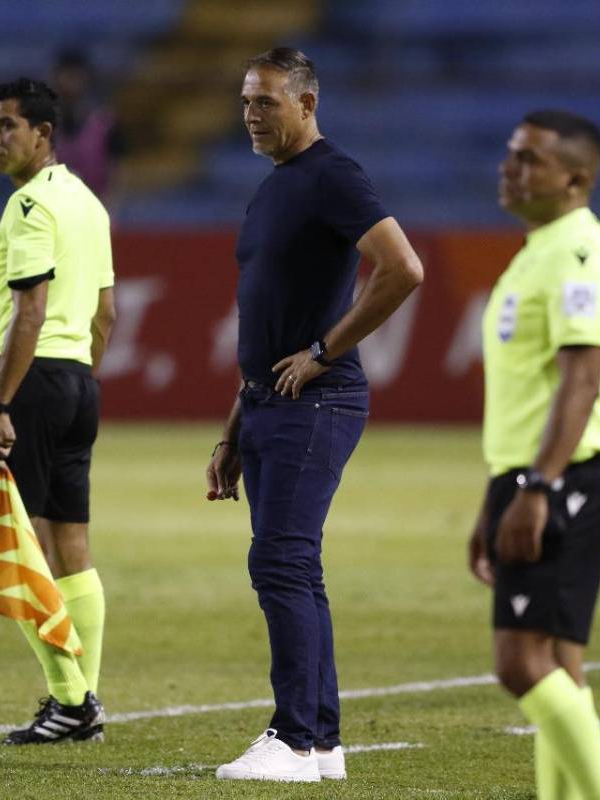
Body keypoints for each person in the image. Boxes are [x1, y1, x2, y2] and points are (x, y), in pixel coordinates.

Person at [206, 47, 424, 783]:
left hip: (318, 399)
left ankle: (293, 739)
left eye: (266, 102)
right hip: (268, 404)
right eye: (245, 101)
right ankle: (323, 742)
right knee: (298, 567)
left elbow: (403, 267)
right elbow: (269, 319)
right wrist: (235, 427)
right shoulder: (274, 188)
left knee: (280, 561)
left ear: (307, 104)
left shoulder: (333, 175)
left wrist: (325, 352)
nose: (251, 115)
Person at [467, 109, 600, 799]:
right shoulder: (539, 249)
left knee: (519, 664)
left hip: (563, 479)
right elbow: (528, 397)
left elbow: (582, 378)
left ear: (576, 179)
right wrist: (497, 496)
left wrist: (537, 486)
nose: (511, 167)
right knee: (560, 663)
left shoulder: (578, 254)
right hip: (534, 476)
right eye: (511, 154)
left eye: (530, 159)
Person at [0, 76, 116, 745]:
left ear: (44, 135)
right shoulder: (89, 205)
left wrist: (1, 400)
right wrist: (80, 377)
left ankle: (71, 699)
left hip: (32, 385)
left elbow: (29, 311)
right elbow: (107, 313)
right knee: (71, 546)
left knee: (18, 545)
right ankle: (81, 700)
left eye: (8, 126)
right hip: (78, 382)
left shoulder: (30, 207)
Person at [49, 49, 124, 203]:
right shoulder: (41, 126)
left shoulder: (105, 124)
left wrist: (109, 210)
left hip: (96, 208)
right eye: (65, 76)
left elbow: (117, 172)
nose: (69, 84)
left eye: (75, 77)